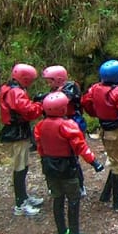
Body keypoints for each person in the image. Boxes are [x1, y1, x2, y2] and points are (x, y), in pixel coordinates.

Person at [34, 91, 104, 234]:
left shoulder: (40, 126)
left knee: (57, 198)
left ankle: (61, 231)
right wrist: (94, 162)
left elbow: (40, 147)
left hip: (49, 167)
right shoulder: (67, 125)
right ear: (62, 109)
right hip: (66, 167)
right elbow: (81, 147)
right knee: (73, 198)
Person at [81, 60, 118, 210]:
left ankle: (106, 194)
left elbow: (86, 103)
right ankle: (117, 201)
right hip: (116, 131)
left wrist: (95, 113)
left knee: (114, 160)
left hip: (105, 129)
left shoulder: (94, 89)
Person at [0, 63, 45, 216]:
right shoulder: (15, 92)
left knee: (23, 166)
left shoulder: (12, 89)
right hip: (16, 133)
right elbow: (28, 111)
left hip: (19, 131)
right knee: (20, 167)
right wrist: (40, 104)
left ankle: (24, 197)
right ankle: (20, 204)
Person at [40, 65, 87, 196]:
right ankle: (57, 185)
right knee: (56, 155)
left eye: (50, 80)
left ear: (58, 79)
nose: (48, 83)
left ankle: (79, 185)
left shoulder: (70, 87)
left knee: (72, 156)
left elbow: (65, 98)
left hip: (73, 123)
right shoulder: (54, 90)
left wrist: (43, 97)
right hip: (59, 125)